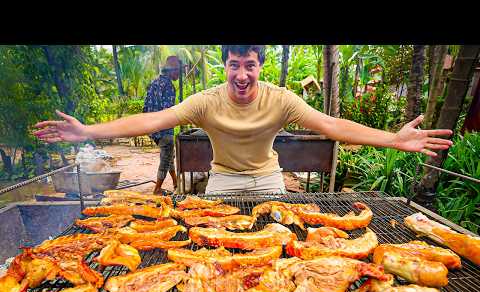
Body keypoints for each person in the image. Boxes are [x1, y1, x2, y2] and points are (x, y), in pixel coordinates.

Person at [34, 45, 453, 194]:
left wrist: (393, 139)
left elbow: (332, 126)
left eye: (249, 65)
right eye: (234, 64)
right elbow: (151, 120)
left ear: (260, 65)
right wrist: (89, 131)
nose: (241, 75)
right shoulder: (205, 100)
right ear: (225, 65)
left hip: (269, 180)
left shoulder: (282, 99)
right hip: (222, 181)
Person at [143, 55, 179, 195]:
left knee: (169, 156)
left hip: (153, 127)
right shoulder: (169, 86)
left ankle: (176, 183)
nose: (178, 74)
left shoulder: (155, 82)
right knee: (166, 158)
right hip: (164, 129)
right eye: (177, 71)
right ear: (170, 71)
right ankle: (157, 189)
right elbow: (167, 111)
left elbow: (146, 106)